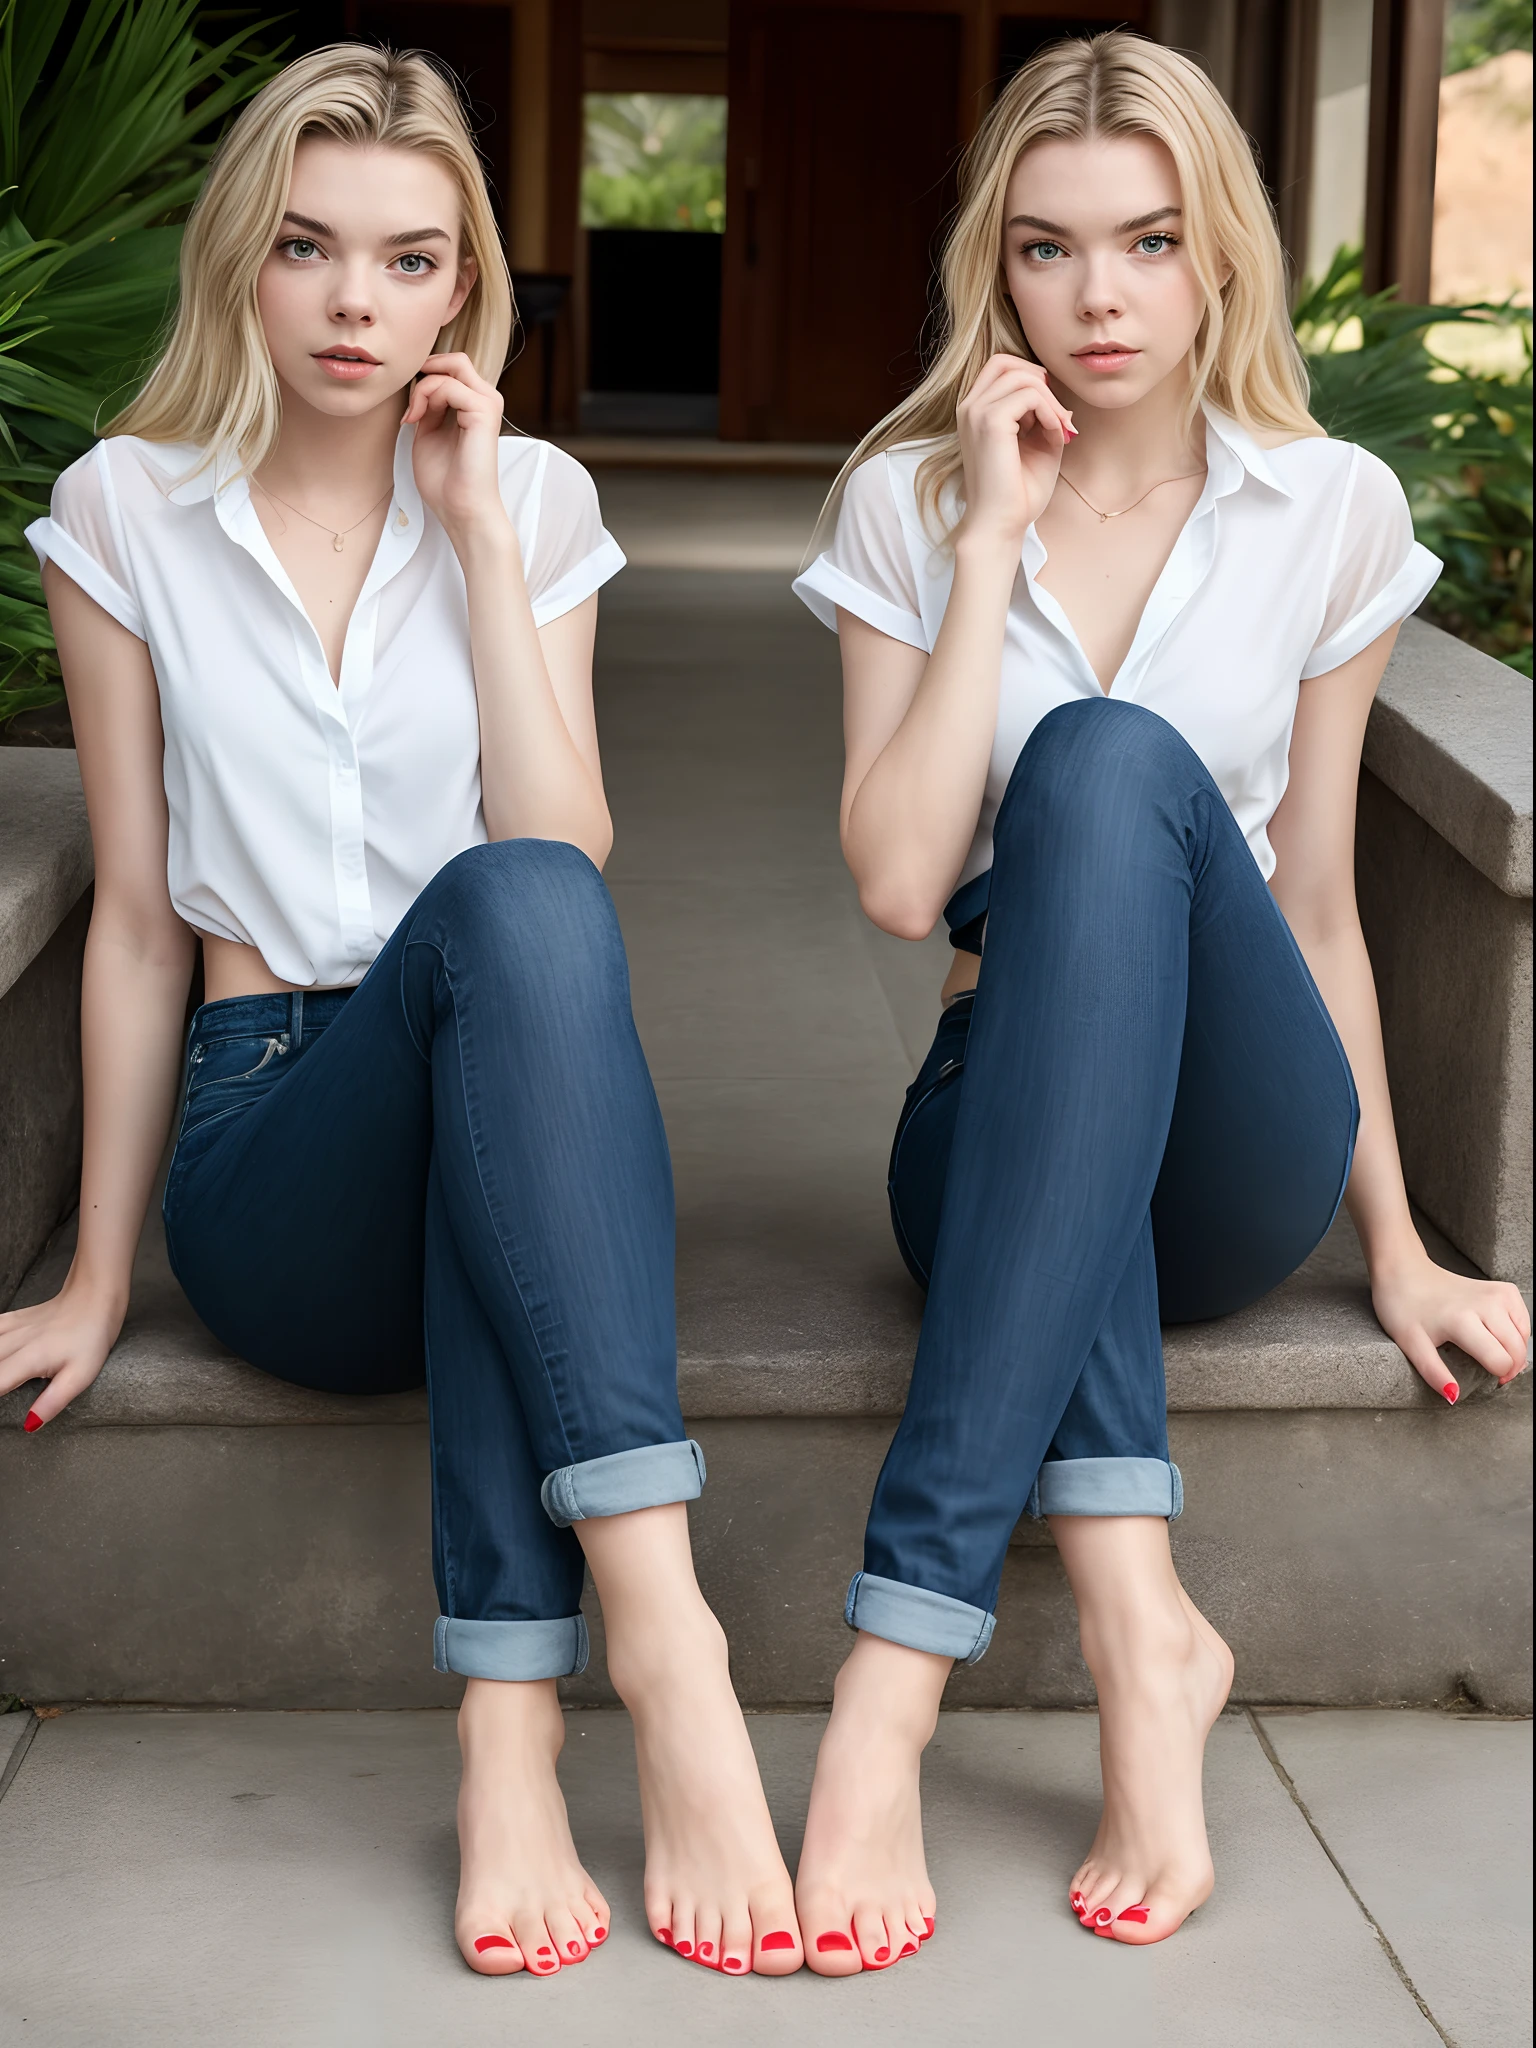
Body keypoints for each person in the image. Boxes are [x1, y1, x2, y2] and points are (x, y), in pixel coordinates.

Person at [3, 45, 805, 1981]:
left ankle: (520, 1721)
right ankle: (667, 1642)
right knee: (498, 952)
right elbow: (131, 920)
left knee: (522, 899)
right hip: (275, 1135)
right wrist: (101, 1277)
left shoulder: (526, 491)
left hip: (502, 1110)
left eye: (409, 259)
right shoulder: (129, 506)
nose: (354, 303)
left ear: (468, 290)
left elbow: (565, 840)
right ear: (242, 263)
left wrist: (479, 538)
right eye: (306, 247)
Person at [789, 30, 1529, 1969]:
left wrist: (1404, 1245)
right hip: (992, 1103)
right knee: (1064, 931)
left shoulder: (1328, 509)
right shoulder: (905, 501)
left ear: (1218, 261)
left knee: (1113, 770)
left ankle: (894, 1669)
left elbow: (1321, 904)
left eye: (1144, 243)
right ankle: (1145, 1636)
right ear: (995, 269)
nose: (1096, 297)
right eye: (1044, 249)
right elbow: (892, 882)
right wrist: (989, 548)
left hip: (1246, 1126)